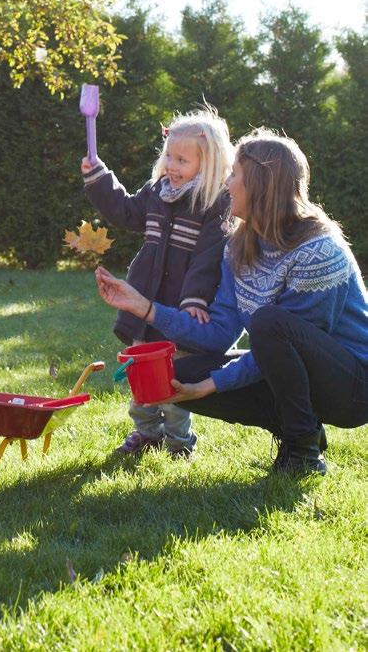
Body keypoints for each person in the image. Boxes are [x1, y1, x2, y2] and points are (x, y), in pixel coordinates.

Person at [95, 129, 368, 475]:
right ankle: (296, 426)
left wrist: (210, 385)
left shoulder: (318, 251)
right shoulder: (239, 248)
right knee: (179, 372)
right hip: (297, 371)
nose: (225, 183)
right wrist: (144, 307)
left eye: (234, 174)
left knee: (270, 324)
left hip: (353, 387)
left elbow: (289, 345)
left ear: (259, 185)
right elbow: (219, 334)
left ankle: (303, 452)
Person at [82, 107, 233, 458]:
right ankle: (146, 432)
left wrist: (194, 299)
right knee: (140, 371)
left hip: (179, 306)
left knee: (174, 373)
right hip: (145, 296)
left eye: (182, 160)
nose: (172, 166)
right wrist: (99, 178)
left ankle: (180, 441)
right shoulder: (156, 191)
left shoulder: (213, 203)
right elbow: (124, 211)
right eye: (169, 156)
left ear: (208, 164)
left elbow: (209, 257)